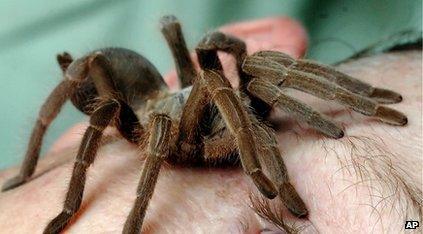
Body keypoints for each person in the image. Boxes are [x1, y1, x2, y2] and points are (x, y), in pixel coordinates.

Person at [0, 16, 421, 233]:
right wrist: (73, 209)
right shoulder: (119, 107)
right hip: (155, 114)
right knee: (192, 92)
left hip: (203, 105)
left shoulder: (246, 89)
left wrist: (367, 102)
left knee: (245, 79)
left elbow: (241, 89)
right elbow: (211, 85)